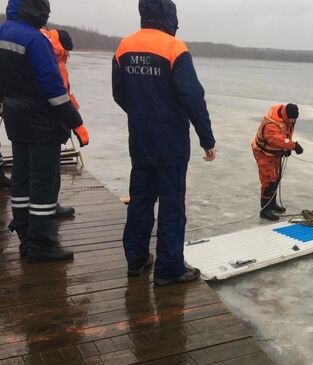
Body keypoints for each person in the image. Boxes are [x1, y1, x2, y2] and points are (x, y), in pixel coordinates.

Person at [112, 0, 217, 286]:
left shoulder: (124, 47)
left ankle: (136, 259)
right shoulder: (174, 48)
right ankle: (169, 269)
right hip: (170, 140)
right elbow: (192, 97)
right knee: (172, 205)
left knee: (141, 200)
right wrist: (206, 138)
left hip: (141, 138)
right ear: (170, 17)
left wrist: (141, 114)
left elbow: (119, 92)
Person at [0, 0, 90, 262]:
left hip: (14, 115)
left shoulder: (3, 32)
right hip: (40, 120)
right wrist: (76, 123)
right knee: (43, 181)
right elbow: (53, 89)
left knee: (21, 176)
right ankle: (41, 243)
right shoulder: (35, 40)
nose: (47, 14)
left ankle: (25, 233)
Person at [40, 27, 77, 218]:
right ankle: (49, 209)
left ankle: (46, 207)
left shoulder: (44, 55)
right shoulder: (56, 63)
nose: (69, 55)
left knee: (38, 170)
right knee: (49, 170)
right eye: (68, 50)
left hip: (35, 122)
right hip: (49, 124)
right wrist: (75, 121)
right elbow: (59, 94)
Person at [252, 103, 303, 221]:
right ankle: (265, 210)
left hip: (274, 152)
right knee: (269, 181)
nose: (293, 121)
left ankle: (272, 203)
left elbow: (284, 135)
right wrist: (293, 146)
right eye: (292, 119)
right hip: (264, 153)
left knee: (276, 178)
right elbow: (276, 139)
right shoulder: (272, 124)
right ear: (287, 116)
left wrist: (285, 149)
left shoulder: (285, 117)